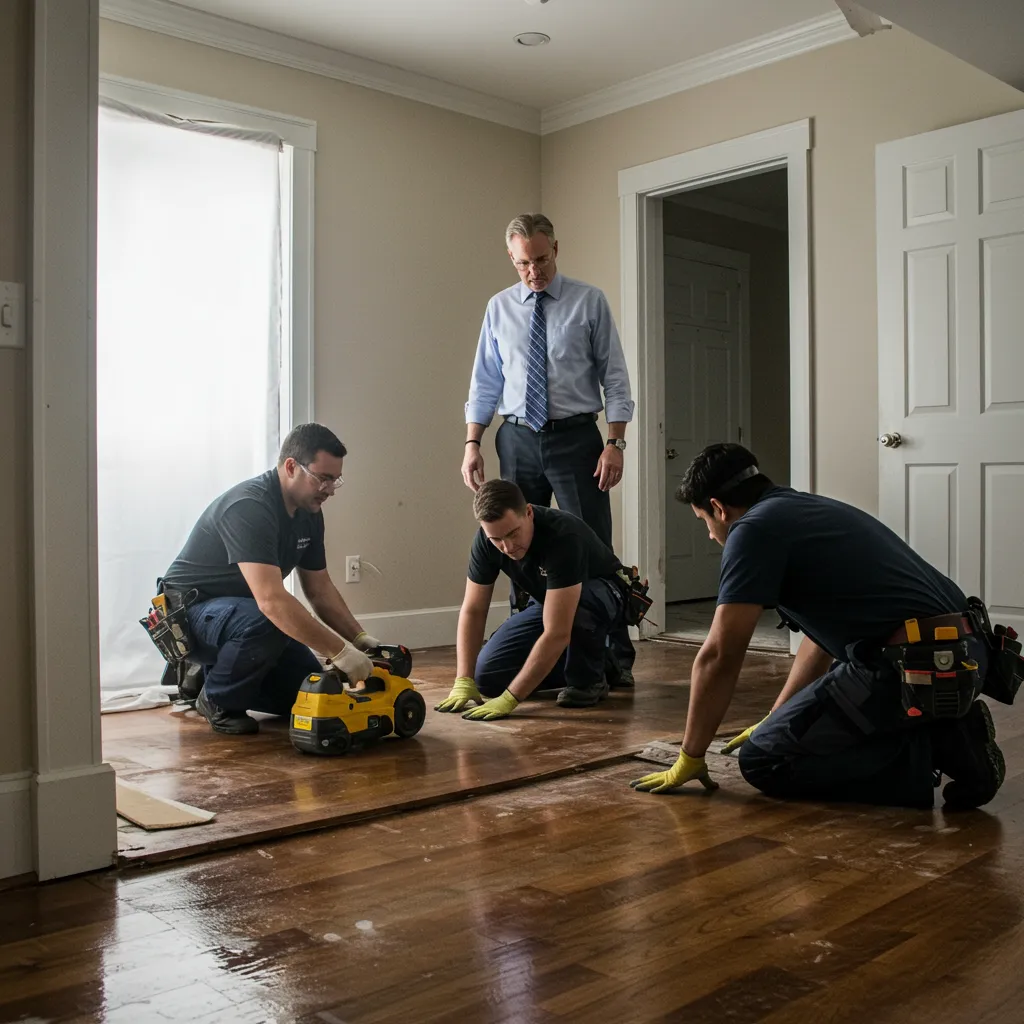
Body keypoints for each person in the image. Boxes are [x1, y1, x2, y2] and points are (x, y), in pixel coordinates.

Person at [630, 443, 1006, 810]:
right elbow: (822, 637)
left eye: (704, 522)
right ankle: (948, 730)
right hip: (962, 656)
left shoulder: (753, 531)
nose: (710, 536)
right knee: (778, 736)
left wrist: (690, 755)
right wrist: (776, 719)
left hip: (915, 668)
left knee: (765, 761)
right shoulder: (804, 509)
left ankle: (940, 748)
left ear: (717, 508)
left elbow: (719, 655)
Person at [461, 213, 637, 687]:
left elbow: (615, 378)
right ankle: (535, 652)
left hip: (577, 437)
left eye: (540, 259)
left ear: (555, 249)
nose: (533, 271)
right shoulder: (499, 308)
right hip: (516, 436)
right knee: (518, 544)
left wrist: (615, 442)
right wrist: (472, 443)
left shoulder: (588, 302)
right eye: (523, 263)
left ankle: (613, 658)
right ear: (511, 258)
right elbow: (484, 383)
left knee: (593, 544)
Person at [158, 423, 382, 735]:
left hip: (240, 616)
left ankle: (211, 676)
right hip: (188, 617)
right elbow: (271, 602)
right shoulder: (249, 507)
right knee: (268, 618)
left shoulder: (310, 513)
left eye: (336, 480)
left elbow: (319, 589)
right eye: (324, 478)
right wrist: (340, 652)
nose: (330, 489)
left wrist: (359, 639)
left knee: (305, 696)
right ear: (291, 466)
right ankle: (217, 699)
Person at [435, 479, 629, 718]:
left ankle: (588, 678)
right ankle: (598, 661)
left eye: (513, 533)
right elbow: (474, 610)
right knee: (487, 678)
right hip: (550, 599)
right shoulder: (485, 542)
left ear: (528, 513)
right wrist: (464, 680)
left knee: (579, 611)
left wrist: (511, 699)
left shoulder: (562, 535)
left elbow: (557, 632)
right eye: (496, 539)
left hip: (602, 595)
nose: (507, 547)